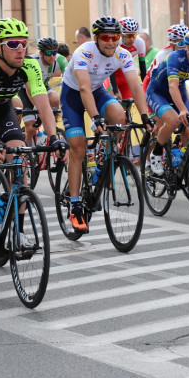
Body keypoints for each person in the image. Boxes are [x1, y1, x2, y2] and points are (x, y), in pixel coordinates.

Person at [0, 19, 64, 249]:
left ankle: (18, 231)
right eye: (13, 44)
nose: (20, 50)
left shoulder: (30, 65)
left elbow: (43, 104)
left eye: (24, 44)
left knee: (18, 163)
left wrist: (54, 137)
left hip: (3, 109)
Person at [59, 16, 152, 233]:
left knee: (120, 117)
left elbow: (136, 87)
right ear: (97, 38)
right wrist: (95, 117)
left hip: (97, 91)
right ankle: (75, 206)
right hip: (73, 96)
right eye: (106, 38)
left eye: (116, 37)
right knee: (79, 147)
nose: (111, 42)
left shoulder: (122, 53)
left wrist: (146, 116)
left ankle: (105, 156)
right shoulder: (84, 52)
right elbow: (82, 88)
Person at [145, 27, 189, 176]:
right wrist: (183, 109)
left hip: (179, 91)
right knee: (172, 120)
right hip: (157, 92)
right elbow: (172, 86)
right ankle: (156, 153)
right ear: (188, 48)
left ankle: (180, 165)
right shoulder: (175, 57)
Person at [17, 36, 67, 148]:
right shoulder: (32, 62)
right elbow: (30, 89)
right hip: (26, 91)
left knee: (54, 98)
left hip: (43, 86)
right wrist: (36, 106)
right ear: (41, 53)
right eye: (48, 53)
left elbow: (70, 79)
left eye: (54, 53)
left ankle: (47, 132)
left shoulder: (60, 60)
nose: (52, 56)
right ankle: (29, 152)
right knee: (30, 128)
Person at [142, 23, 189, 88]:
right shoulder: (163, 54)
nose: (185, 47)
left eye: (187, 43)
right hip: (153, 83)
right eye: (181, 44)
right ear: (172, 44)